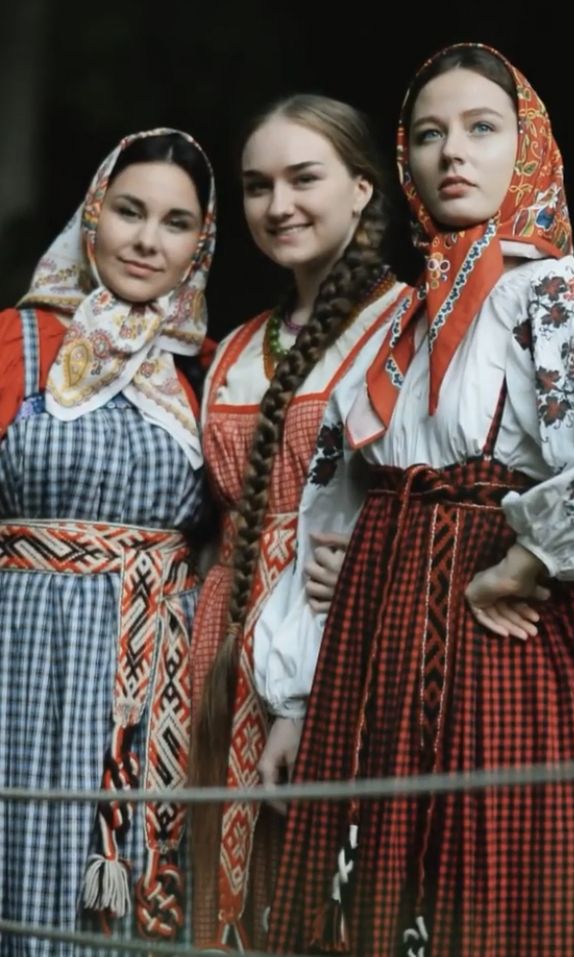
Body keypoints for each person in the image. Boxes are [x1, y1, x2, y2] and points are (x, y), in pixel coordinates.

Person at [261, 43, 574, 956]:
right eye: (428, 134)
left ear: (526, 149)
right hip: (373, 631)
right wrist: (295, 688)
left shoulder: (550, 291)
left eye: (479, 129)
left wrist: (530, 555)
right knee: (371, 882)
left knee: (486, 874)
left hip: (483, 613)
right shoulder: (403, 321)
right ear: (405, 161)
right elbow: (330, 496)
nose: (450, 153)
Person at [188, 94, 409, 949]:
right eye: (256, 185)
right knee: (218, 892)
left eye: (302, 178)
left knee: (320, 905)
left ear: (360, 188)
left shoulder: (407, 331)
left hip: (335, 647)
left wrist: (307, 691)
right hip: (221, 651)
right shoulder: (237, 346)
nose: (277, 205)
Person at [0, 128, 216, 952]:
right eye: (129, 211)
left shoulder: (203, 375)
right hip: (21, 650)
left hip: (152, 668)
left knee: (123, 889)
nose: (145, 239)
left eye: (174, 222)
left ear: (200, 244)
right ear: (94, 216)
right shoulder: (22, 342)